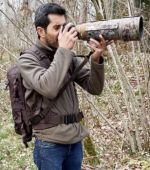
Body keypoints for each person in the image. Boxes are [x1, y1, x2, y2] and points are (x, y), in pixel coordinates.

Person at [18, 2, 111, 170]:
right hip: (49, 144)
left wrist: (96, 58)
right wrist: (64, 51)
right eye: (57, 28)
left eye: (65, 27)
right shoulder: (28, 59)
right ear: (41, 31)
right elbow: (49, 88)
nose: (64, 33)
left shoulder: (67, 55)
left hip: (75, 140)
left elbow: (95, 88)